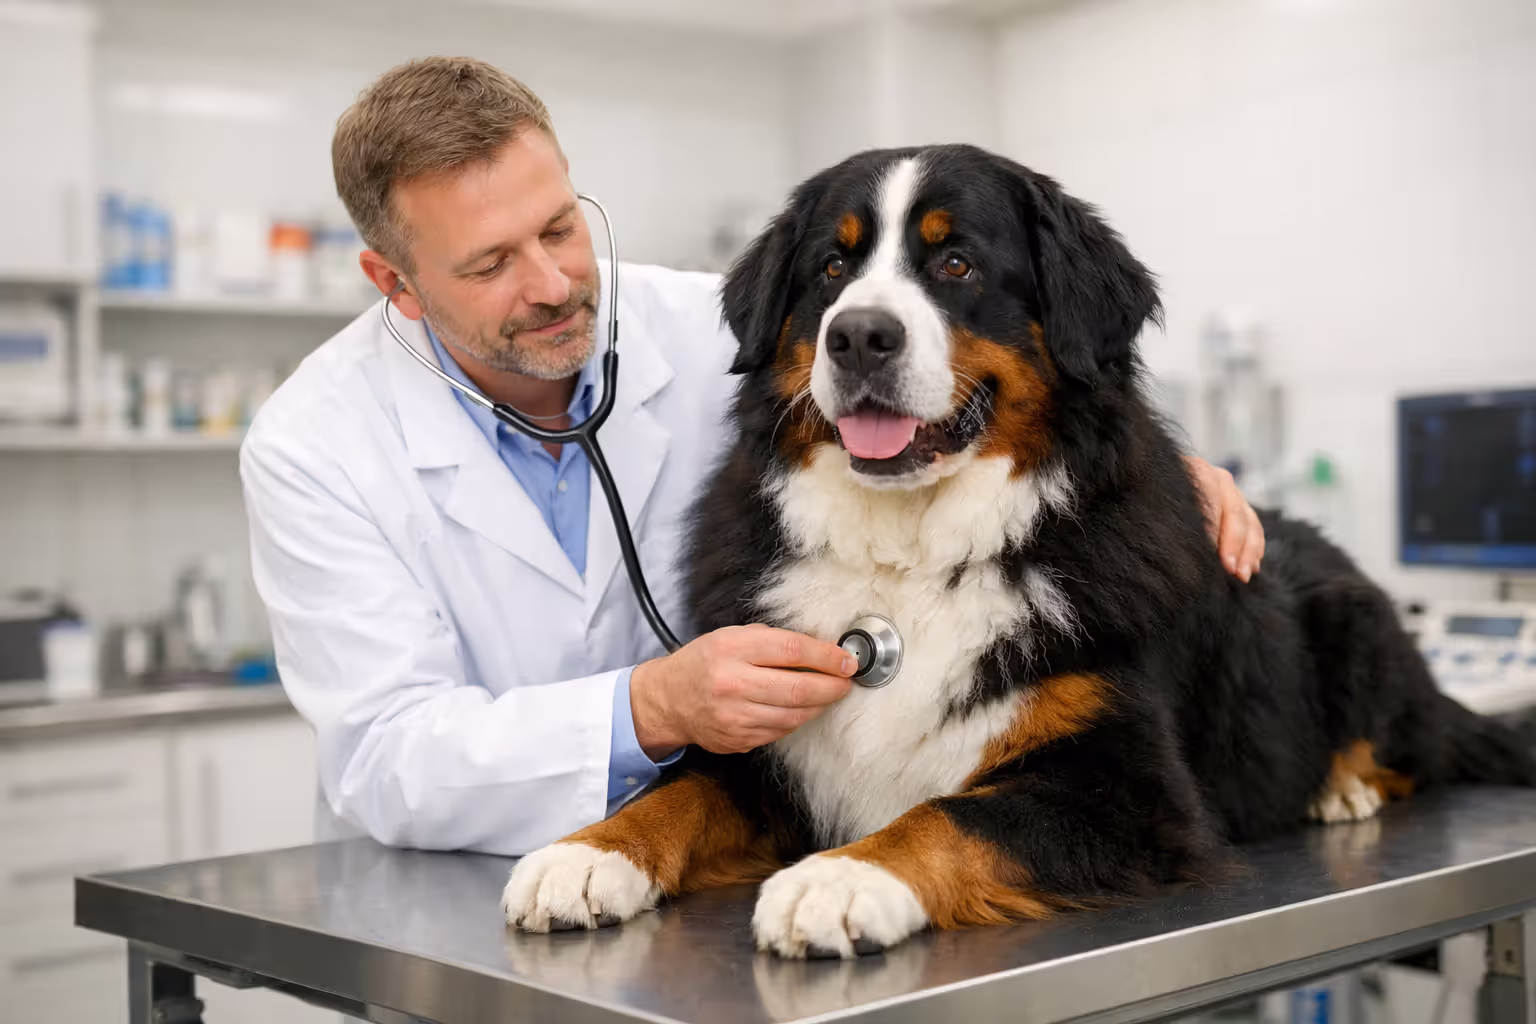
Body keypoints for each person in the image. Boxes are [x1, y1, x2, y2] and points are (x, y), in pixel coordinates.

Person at [240, 56, 1266, 856]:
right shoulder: (314, 446)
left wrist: (1168, 480)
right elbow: (382, 758)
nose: (554, 283)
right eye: (492, 263)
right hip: (457, 887)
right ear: (396, 282)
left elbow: (1046, 395)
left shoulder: (718, 326)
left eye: (560, 226)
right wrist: (648, 709)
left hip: (740, 869)